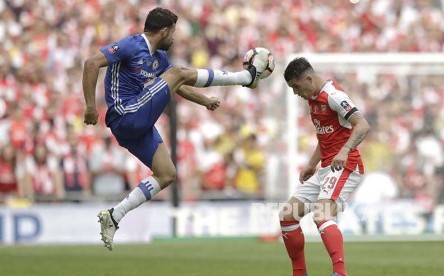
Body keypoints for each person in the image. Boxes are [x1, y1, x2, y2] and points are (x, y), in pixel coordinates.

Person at [82, 7, 268, 251]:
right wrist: (90, 107)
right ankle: (244, 78)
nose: (175, 37)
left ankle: (114, 215)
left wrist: (205, 100)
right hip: (126, 114)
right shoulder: (130, 45)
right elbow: (91, 63)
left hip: (137, 122)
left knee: (167, 173)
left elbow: (176, 85)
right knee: (177, 72)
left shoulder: (159, 58)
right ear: (163, 31)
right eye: (173, 32)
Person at [280, 57, 371, 276]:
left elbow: (363, 125)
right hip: (326, 167)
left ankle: (340, 273)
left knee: (321, 215)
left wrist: (344, 150)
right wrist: (311, 165)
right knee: (288, 215)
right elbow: (326, 137)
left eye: (295, 86)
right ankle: (299, 273)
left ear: (309, 79)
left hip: (345, 165)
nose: (295, 93)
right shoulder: (313, 99)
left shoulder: (334, 96)